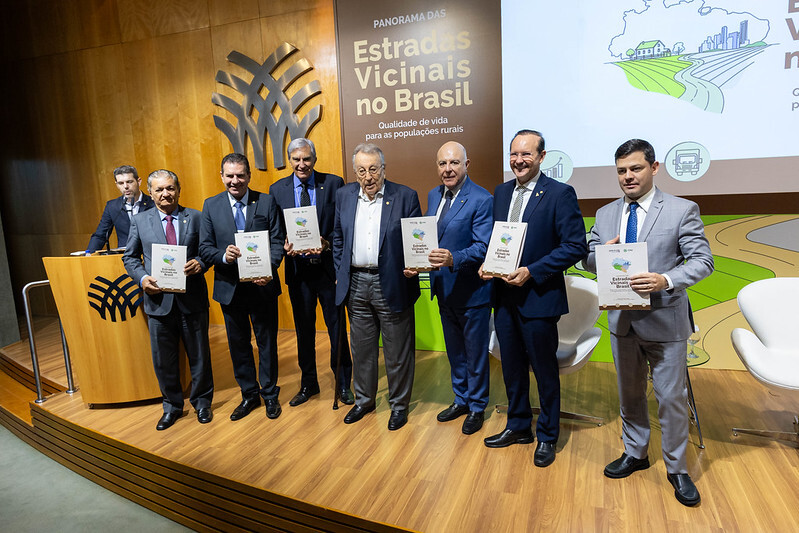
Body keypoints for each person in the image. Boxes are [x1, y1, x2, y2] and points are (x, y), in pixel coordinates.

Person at [584, 139, 713, 506]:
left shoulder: (681, 209)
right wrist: (598, 255)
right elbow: (588, 258)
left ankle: (677, 468)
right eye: (622, 171)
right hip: (622, 319)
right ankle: (635, 453)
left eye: (635, 169)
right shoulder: (607, 213)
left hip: (664, 318)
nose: (628, 176)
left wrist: (665, 279)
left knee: (671, 398)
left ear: (654, 168)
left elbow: (702, 261)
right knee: (630, 393)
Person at [478, 129, 587, 467]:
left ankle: (548, 436)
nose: (518, 161)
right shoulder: (500, 192)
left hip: (538, 297)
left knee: (544, 370)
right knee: (511, 367)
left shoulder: (559, 193)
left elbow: (574, 246)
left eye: (526, 154)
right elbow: (498, 242)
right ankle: (518, 426)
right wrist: (488, 265)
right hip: (504, 296)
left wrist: (532, 270)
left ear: (541, 157)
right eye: (514, 154)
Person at [332, 143, 422, 431]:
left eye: (373, 169)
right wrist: (340, 269)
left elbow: (415, 240)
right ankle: (364, 400)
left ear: (384, 169)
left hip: (392, 283)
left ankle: (398, 406)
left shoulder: (405, 196)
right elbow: (337, 237)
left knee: (397, 351)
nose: (368, 176)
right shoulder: (343, 195)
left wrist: (414, 265)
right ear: (355, 171)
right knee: (362, 350)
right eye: (362, 170)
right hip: (356, 283)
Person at [407, 141, 493, 435]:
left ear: (467, 164)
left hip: (472, 292)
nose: (448, 169)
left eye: (454, 163)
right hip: (444, 288)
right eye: (443, 163)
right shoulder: (433, 195)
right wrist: (416, 263)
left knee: (475, 355)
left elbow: (483, 246)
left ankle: (478, 406)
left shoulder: (482, 199)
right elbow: (430, 240)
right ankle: (461, 399)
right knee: (455, 353)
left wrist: (454, 258)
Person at [122, 169, 214, 430]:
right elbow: (130, 257)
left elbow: (207, 250)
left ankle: (202, 403)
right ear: (150, 193)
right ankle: (172, 406)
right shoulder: (140, 221)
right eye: (159, 189)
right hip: (158, 302)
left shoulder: (195, 217)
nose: (166, 194)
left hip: (192, 300)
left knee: (200, 356)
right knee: (164, 360)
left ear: (179, 189)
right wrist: (142, 279)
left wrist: (201, 262)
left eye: (170, 188)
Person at [200, 153, 285, 420]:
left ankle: (270, 394)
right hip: (229, 288)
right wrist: (224, 256)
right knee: (238, 345)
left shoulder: (268, 202)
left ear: (249, 175)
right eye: (230, 175)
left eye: (240, 175)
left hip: (262, 286)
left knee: (267, 343)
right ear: (222, 176)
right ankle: (249, 395)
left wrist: (269, 269)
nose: (235, 181)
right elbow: (204, 247)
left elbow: (277, 240)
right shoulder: (211, 206)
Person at [269, 138, 354, 407]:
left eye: (306, 158)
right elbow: (276, 229)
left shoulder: (333, 183)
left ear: (314, 159)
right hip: (298, 273)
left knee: (336, 329)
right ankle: (309, 384)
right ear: (290, 161)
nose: (301, 164)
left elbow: (342, 224)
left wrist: (327, 242)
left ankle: (343, 383)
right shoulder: (277, 189)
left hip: (328, 271)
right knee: (304, 331)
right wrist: (284, 246)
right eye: (296, 159)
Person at [87, 165, 154, 253]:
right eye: (121, 183)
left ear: (139, 181)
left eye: (129, 182)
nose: (125, 186)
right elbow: (100, 235)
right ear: (117, 185)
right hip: (125, 257)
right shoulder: (112, 206)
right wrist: (88, 255)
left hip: (150, 255)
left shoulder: (153, 204)